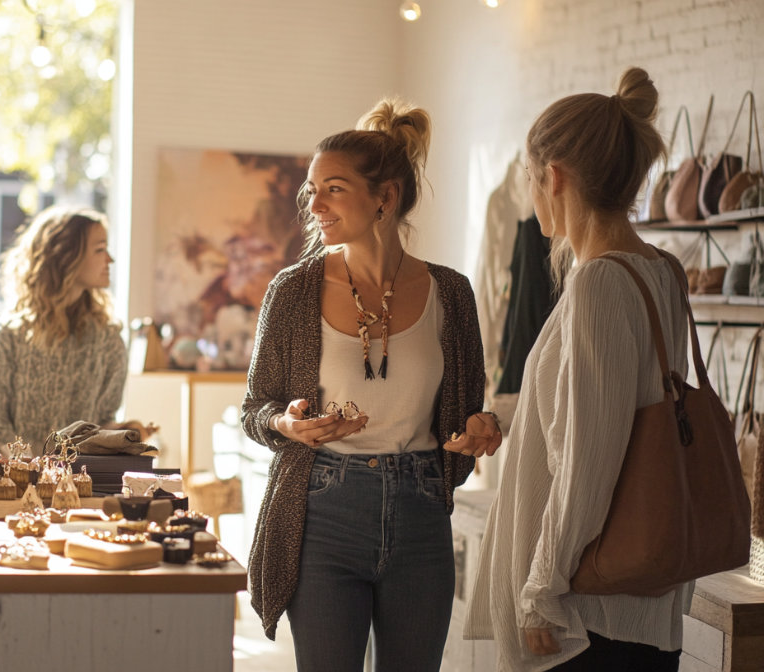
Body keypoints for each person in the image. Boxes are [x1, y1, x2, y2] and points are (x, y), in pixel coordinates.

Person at [241, 98, 501, 671]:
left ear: (385, 196)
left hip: (421, 510)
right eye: (312, 190)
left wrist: (479, 430)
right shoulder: (292, 291)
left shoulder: (451, 294)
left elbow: (465, 417)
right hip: (322, 510)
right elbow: (253, 407)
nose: (314, 204)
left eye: (333, 188)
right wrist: (285, 423)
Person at [463, 67, 686, 671]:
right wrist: (502, 416)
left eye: (533, 181)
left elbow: (588, 456)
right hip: (636, 593)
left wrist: (540, 593)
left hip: (588, 610)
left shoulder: (599, 283)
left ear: (552, 178)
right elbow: (610, 408)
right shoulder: (660, 270)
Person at [0, 205, 148, 454]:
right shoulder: (8, 335)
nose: (109, 259)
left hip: (83, 487)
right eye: (100, 249)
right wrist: (40, 467)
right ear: (67, 257)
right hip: (17, 485)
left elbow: (101, 424)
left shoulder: (108, 339)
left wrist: (125, 432)